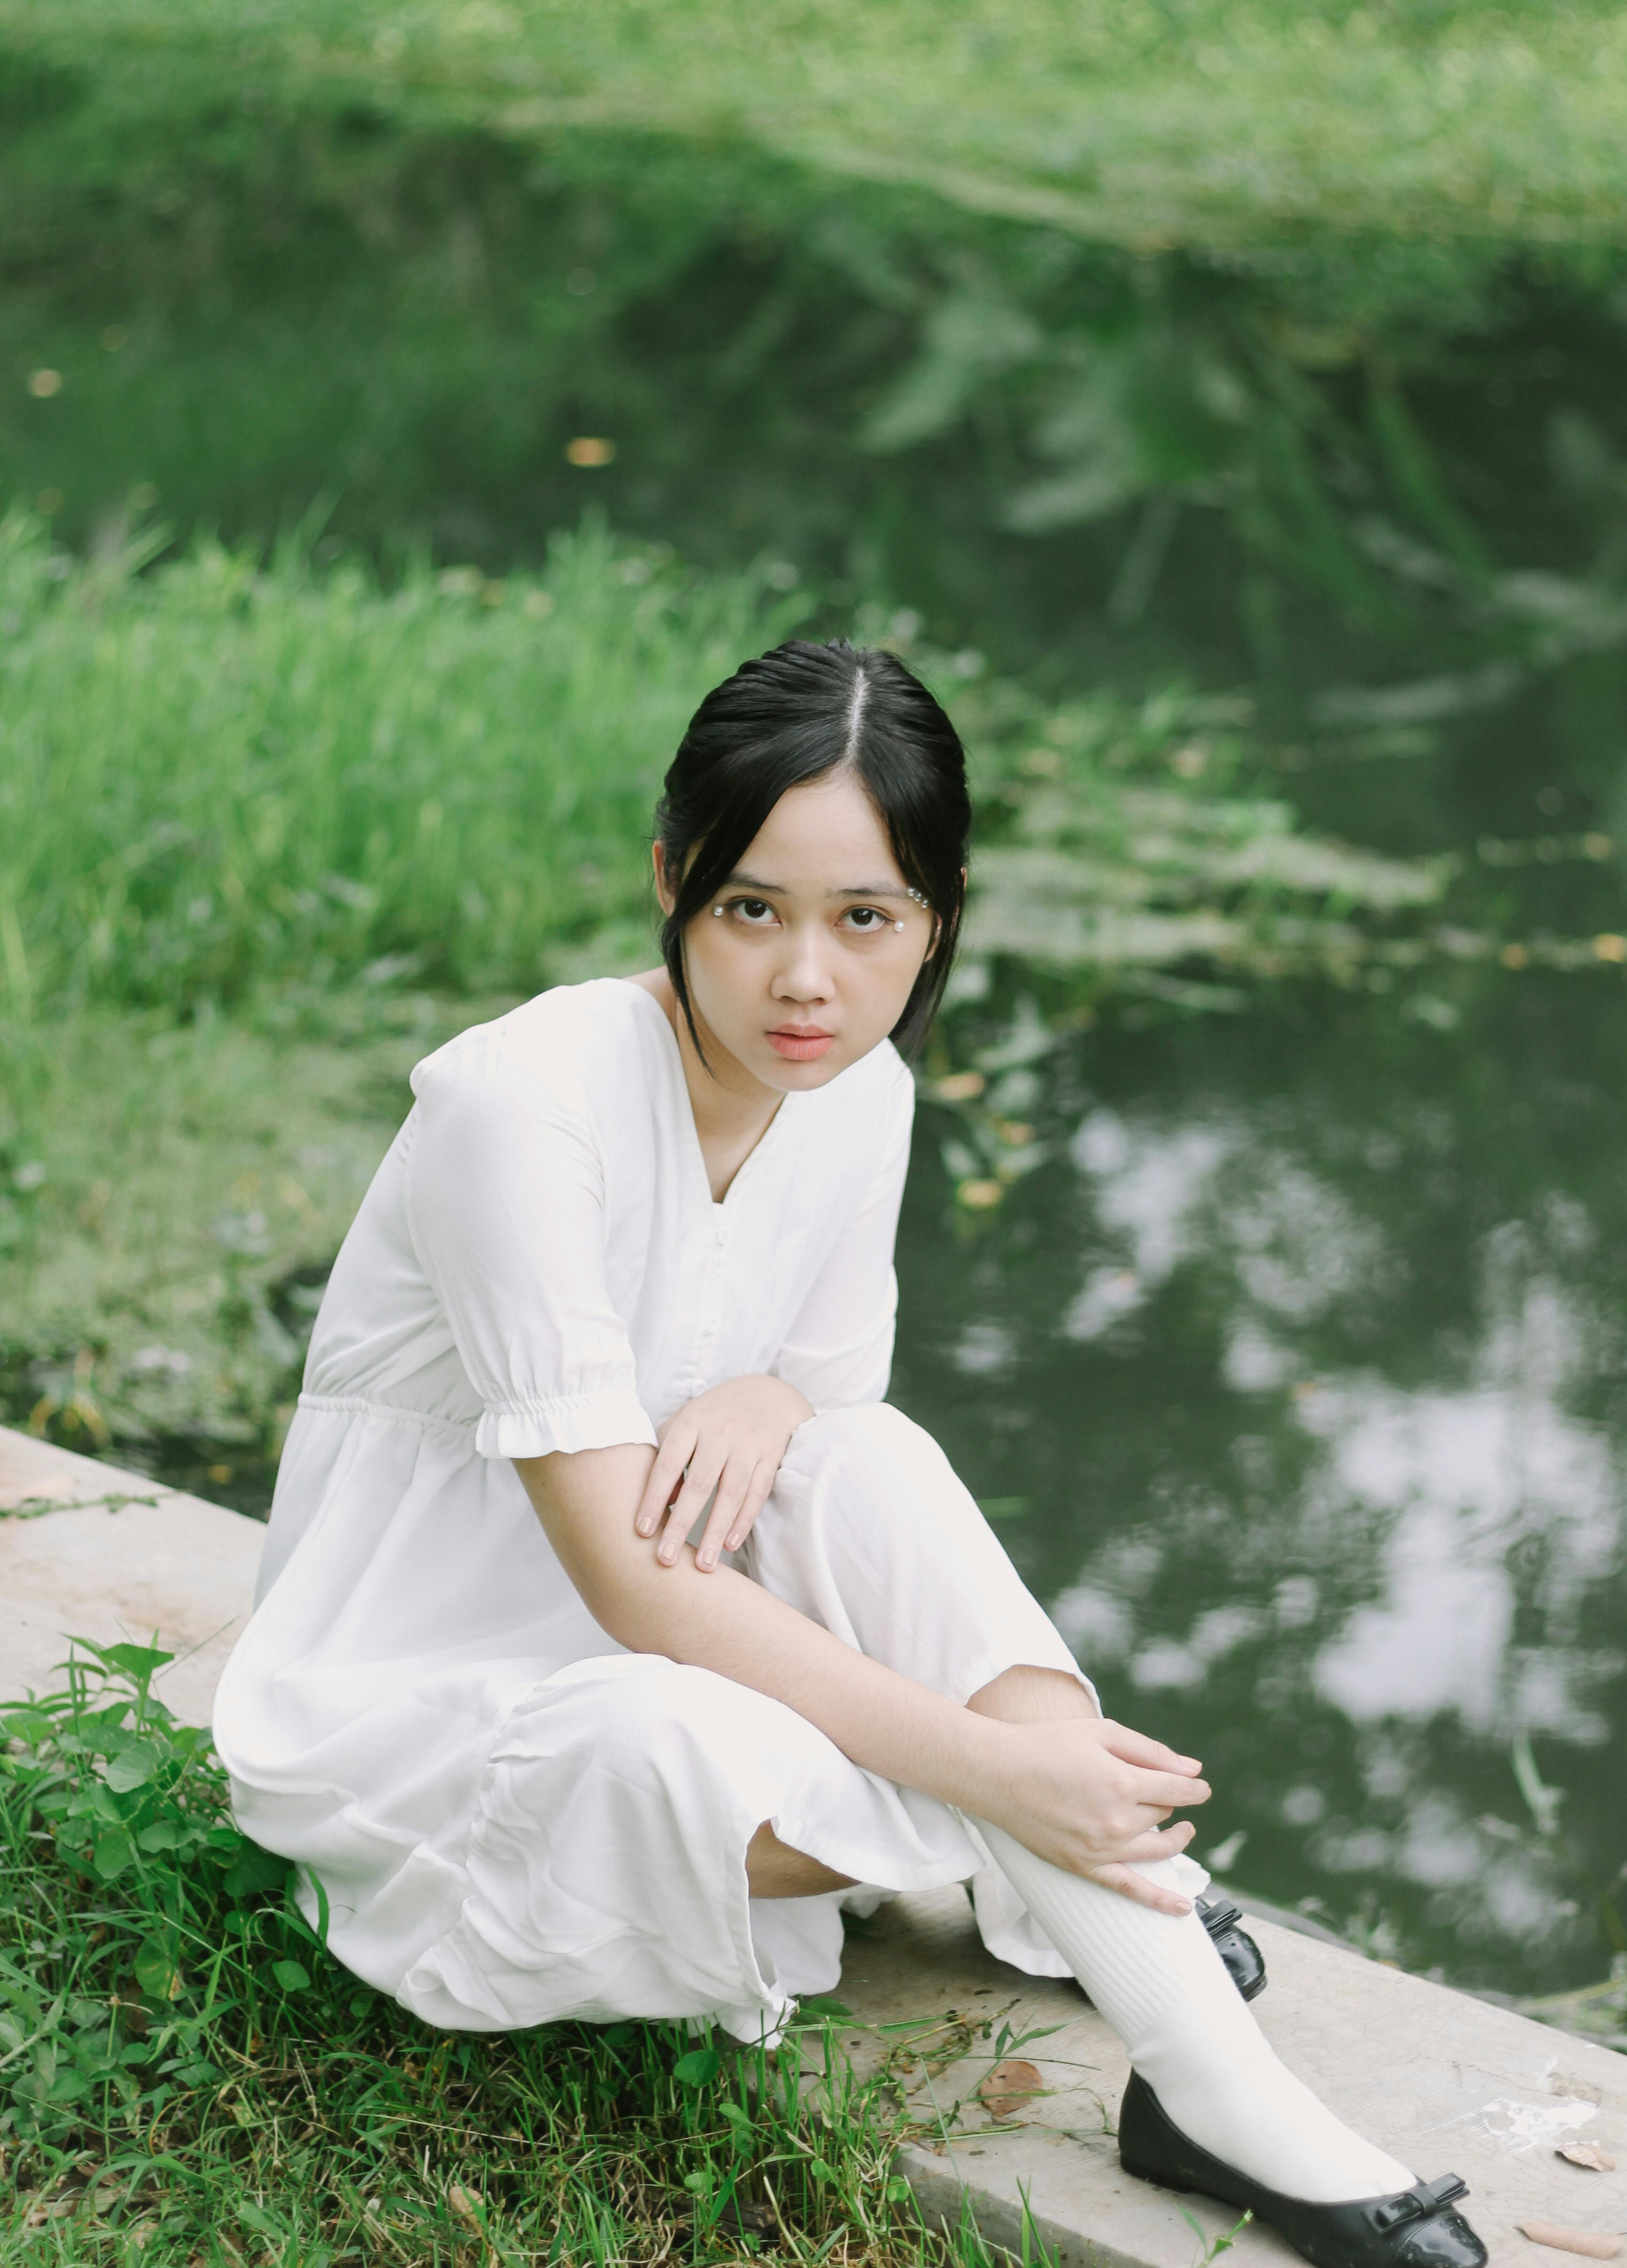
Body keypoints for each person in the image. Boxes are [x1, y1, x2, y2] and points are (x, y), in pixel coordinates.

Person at [215, 639, 1485, 2268]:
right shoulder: (519, 1108)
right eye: (753, 909)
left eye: (865, 920)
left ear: (937, 919)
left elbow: (829, 1388)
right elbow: (632, 1587)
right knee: (670, 1749)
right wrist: (999, 1770)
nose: (806, 981)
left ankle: (1214, 2090)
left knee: (865, 1459)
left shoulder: (857, 1087)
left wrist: (774, 1400)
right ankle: (1083, 1869)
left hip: (695, 1621)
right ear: (669, 880)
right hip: (442, 1681)